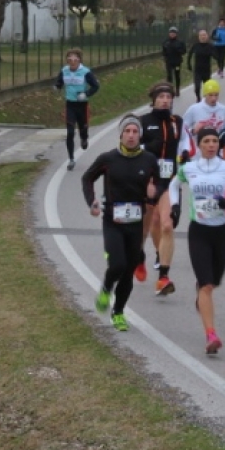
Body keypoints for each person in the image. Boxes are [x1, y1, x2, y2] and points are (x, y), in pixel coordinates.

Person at [169, 128, 225, 355]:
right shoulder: (189, 168)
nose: (211, 145)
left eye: (215, 141)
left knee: (213, 283)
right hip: (199, 232)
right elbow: (174, 185)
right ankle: (211, 335)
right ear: (200, 144)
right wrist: (175, 205)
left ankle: (202, 295)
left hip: (221, 231)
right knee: (206, 285)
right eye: (206, 141)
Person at [84, 114, 160, 331]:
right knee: (117, 264)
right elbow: (87, 178)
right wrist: (92, 202)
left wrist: (154, 193)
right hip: (112, 221)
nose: (131, 135)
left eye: (135, 132)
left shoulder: (148, 160)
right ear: (121, 134)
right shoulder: (108, 159)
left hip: (135, 222)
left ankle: (118, 312)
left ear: (140, 136)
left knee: (128, 270)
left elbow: (161, 183)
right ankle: (106, 288)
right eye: (127, 131)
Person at [140, 82, 194, 293]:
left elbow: (187, 144)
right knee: (149, 223)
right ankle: (146, 255)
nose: (165, 100)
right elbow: (133, 146)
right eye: (161, 96)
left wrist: (187, 155)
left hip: (170, 180)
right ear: (153, 99)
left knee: (167, 225)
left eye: (168, 97)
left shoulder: (177, 123)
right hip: (148, 181)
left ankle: (163, 277)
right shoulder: (144, 121)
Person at [54, 47, 100, 171]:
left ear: (79, 59)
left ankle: (84, 138)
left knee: (82, 130)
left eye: (75, 57)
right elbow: (59, 82)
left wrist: (86, 94)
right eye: (70, 57)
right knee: (70, 132)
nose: (72, 60)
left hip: (82, 106)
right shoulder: (64, 70)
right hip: (70, 105)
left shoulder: (85, 72)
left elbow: (96, 86)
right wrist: (57, 87)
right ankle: (71, 159)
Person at [187, 29, 216, 102]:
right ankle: (198, 98)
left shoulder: (210, 46)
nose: (203, 37)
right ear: (199, 37)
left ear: (207, 36)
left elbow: (216, 56)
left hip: (206, 70)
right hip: (197, 70)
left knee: (208, 87)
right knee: (197, 87)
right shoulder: (196, 45)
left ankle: (206, 99)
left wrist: (213, 54)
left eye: (204, 35)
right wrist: (189, 64)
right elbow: (190, 55)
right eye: (201, 35)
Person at [162, 27, 187, 95]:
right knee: (169, 75)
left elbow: (184, 51)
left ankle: (177, 89)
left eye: (174, 33)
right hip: (169, 62)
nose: (172, 34)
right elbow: (163, 51)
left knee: (177, 75)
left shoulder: (180, 42)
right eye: (171, 33)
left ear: (176, 34)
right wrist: (165, 56)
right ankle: (170, 89)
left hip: (177, 62)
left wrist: (179, 50)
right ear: (169, 34)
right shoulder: (166, 42)